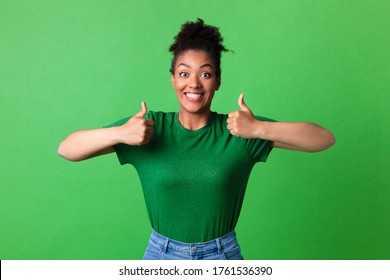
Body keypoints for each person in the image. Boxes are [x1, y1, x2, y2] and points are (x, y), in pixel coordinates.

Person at [58, 18, 335, 260]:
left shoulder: (239, 130)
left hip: (222, 256)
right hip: (161, 258)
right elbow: (67, 149)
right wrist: (119, 133)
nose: (193, 84)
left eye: (205, 73)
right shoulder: (148, 128)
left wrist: (260, 129)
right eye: (184, 73)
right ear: (173, 79)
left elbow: (324, 139)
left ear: (217, 80)